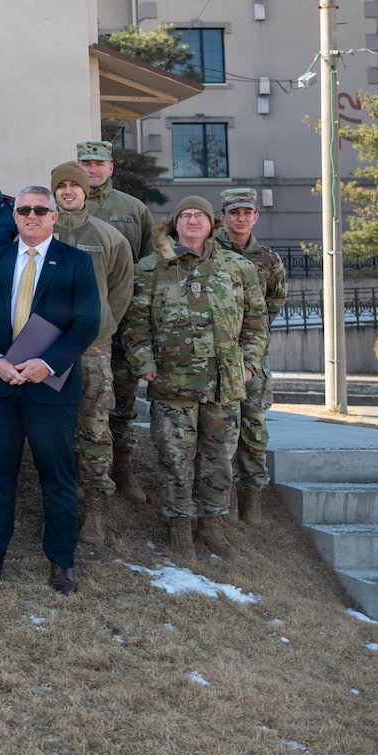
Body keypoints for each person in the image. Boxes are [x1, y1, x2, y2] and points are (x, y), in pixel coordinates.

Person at [0, 186, 100, 596]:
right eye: (23, 209)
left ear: (54, 216)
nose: (31, 216)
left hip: (50, 388)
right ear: (14, 215)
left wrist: (49, 363)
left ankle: (62, 562)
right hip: (1, 385)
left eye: (40, 210)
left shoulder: (76, 262)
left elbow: (87, 323)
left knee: (57, 477)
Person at [122, 196, 268, 563]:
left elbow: (256, 322)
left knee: (219, 458)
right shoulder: (152, 267)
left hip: (224, 383)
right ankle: (180, 524)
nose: (192, 221)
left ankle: (210, 523)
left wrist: (249, 365)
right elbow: (135, 323)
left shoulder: (238, 267)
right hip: (173, 383)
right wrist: (144, 362)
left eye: (199, 215)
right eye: (185, 215)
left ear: (211, 223)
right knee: (175, 458)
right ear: (175, 223)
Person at [50, 162, 133, 545]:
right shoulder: (40, 232)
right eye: (61, 186)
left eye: (74, 185)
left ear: (86, 191)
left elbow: (121, 288)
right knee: (54, 430)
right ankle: (61, 505)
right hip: (47, 350)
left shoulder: (108, 236)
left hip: (92, 352)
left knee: (95, 428)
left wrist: (102, 327)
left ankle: (95, 510)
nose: (68, 191)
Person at [74, 139, 156, 509]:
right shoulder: (66, 208)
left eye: (98, 164)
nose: (92, 170)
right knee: (80, 402)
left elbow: (149, 265)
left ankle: (122, 467)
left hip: (122, 324)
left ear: (110, 168)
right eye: (85, 164)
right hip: (79, 328)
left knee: (121, 400)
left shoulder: (133, 209)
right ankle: (79, 471)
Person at [215, 187, 289, 528]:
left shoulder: (268, 259)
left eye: (247, 213)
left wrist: (251, 330)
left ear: (256, 217)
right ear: (223, 216)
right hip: (216, 352)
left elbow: (276, 299)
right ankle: (225, 495)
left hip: (253, 354)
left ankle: (253, 495)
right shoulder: (210, 251)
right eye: (234, 213)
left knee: (254, 425)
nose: (241, 218)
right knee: (220, 427)